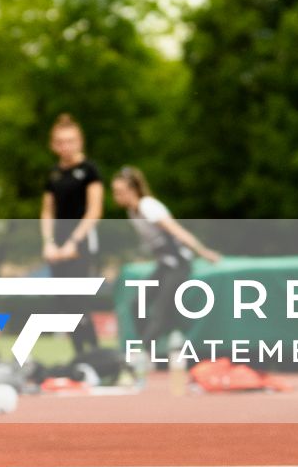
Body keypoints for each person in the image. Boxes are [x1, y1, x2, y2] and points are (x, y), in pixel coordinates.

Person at [110, 167, 222, 365]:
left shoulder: (148, 206)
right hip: (164, 263)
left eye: (119, 191)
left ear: (132, 190)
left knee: (160, 309)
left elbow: (176, 230)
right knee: (138, 304)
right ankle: (157, 345)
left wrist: (203, 251)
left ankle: (144, 353)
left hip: (179, 263)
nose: (115, 196)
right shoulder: (132, 212)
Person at [40, 114, 103, 353]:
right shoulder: (53, 173)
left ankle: (96, 353)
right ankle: (80, 355)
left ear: (80, 141)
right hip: (57, 246)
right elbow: (47, 211)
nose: (66, 146)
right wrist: (49, 243)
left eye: (71, 141)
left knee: (79, 301)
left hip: (81, 244)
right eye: (61, 141)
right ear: (54, 145)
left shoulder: (89, 170)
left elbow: (94, 209)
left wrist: (73, 242)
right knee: (63, 303)